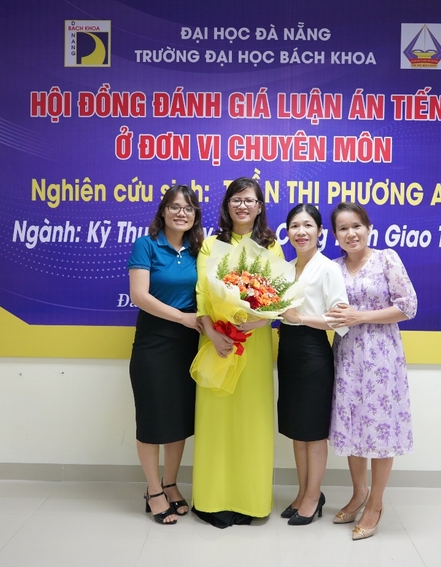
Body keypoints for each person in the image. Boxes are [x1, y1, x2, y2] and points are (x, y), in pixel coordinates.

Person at [192, 177, 282, 528]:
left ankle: (251, 501)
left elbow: (277, 295)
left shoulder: (271, 246)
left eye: (250, 200)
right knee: (215, 421)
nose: (242, 206)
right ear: (227, 205)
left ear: (260, 207)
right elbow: (202, 293)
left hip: (253, 342)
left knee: (252, 421)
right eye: (236, 200)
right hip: (217, 342)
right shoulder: (209, 245)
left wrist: (257, 323)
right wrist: (214, 333)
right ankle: (213, 500)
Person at [324, 202, 417, 541]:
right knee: (352, 425)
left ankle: (376, 503)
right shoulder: (332, 268)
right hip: (347, 356)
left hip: (381, 357)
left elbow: (408, 306)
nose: (351, 233)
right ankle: (358, 492)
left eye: (356, 226)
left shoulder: (386, 259)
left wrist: (360, 316)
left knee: (379, 427)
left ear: (368, 228)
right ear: (334, 235)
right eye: (343, 228)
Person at [127, 185, 204, 525]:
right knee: (152, 420)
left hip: (188, 345)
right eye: (174, 207)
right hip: (153, 342)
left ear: (195, 216)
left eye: (188, 208)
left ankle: (171, 484)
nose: (181, 213)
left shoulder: (198, 250)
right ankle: (154, 490)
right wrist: (183, 318)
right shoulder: (146, 244)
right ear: (163, 211)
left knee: (177, 420)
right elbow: (140, 296)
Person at [278, 204, 349, 525]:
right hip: (289, 351)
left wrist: (301, 317)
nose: (301, 232)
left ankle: (313, 496)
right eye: (294, 226)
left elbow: (340, 318)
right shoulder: (286, 267)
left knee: (313, 432)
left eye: (308, 225)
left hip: (313, 352)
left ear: (320, 231)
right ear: (287, 232)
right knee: (297, 429)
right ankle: (303, 491)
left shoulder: (328, 268)